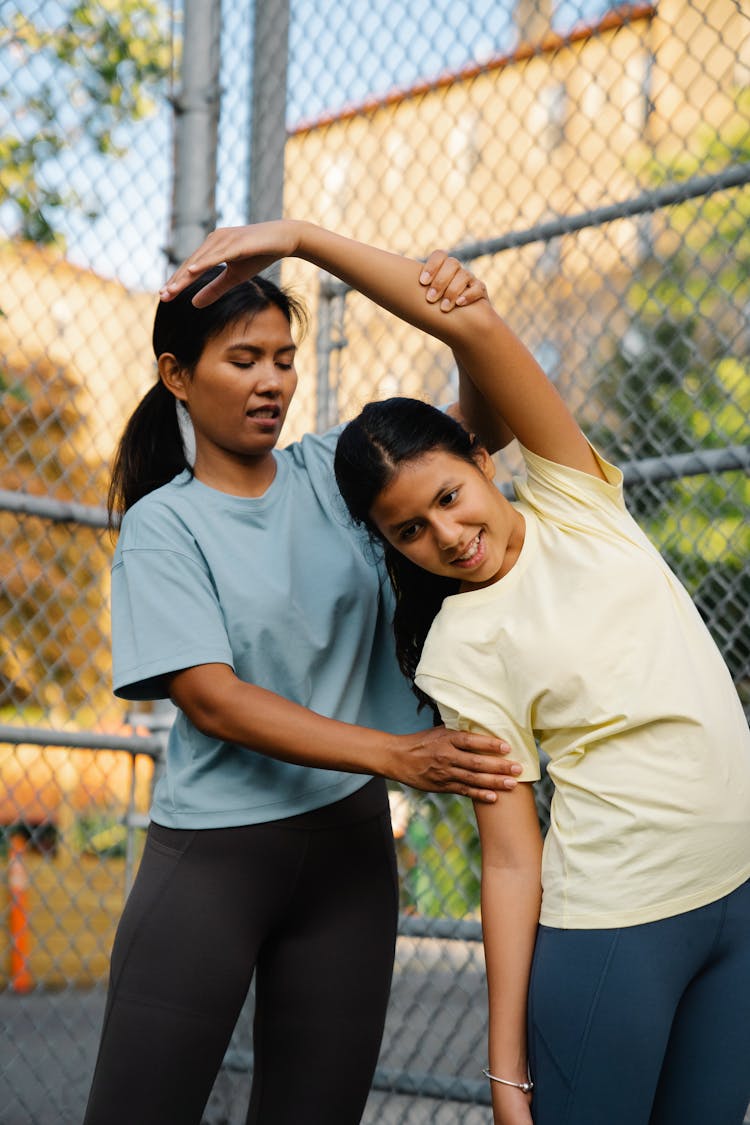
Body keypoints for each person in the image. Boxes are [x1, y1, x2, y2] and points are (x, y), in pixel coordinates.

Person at [83, 232, 523, 1125]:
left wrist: (465, 324)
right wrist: (398, 754)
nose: (270, 381)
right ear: (177, 375)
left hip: (348, 856)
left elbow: (476, 434)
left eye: (283, 360)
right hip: (214, 857)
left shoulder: (335, 470)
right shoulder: (165, 526)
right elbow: (213, 696)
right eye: (242, 360)